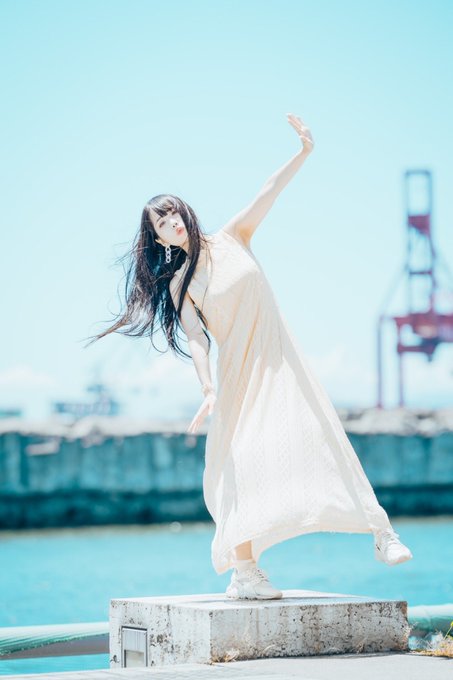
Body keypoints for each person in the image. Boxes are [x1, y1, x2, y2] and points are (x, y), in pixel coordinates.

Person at [85, 113, 413, 601]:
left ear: (185, 213)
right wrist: (207, 388)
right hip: (237, 375)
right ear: (159, 239)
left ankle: (381, 532)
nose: (172, 222)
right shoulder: (179, 284)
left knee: (324, 436)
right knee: (239, 466)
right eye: (161, 222)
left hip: (280, 362)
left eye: (173, 212)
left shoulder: (234, 237)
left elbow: (268, 191)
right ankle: (245, 573)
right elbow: (197, 339)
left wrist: (303, 152)